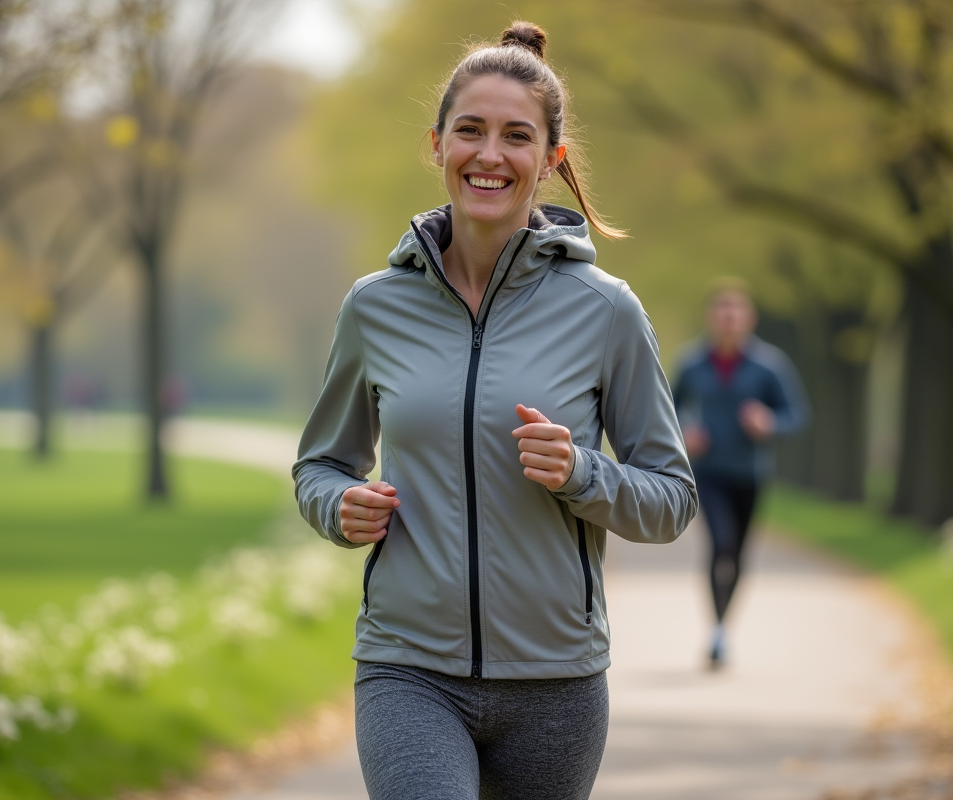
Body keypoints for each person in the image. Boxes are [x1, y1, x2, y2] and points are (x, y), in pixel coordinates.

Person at [293, 22, 698, 800]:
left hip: (556, 686)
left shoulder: (605, 311)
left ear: (550, 160)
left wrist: (582, 473)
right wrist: (336, 504)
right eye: (470, 130)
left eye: (517, 136)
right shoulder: (376, 308)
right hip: (408, 671)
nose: (489, 154)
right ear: (436, 144)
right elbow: (320, 463)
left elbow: (671, 500)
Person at [671, 278, 809, 669]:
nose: (728, 318)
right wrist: (685, 430)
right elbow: (667, 407)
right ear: (711, 317)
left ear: (749, 318)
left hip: (750, 473)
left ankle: (722, 626)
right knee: (721, 545)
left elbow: (796, 416)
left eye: (736, 311)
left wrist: (769, 422)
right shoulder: (692, 363)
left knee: (740, 554)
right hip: (708, 472)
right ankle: (716, 634)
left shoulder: (770, 365)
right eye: (721, 310)